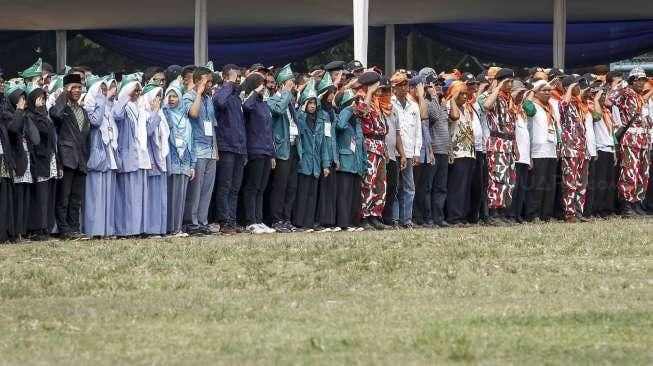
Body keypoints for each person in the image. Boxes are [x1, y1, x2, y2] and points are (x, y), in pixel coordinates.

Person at [50, 73, 90, 239]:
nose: (77, 90)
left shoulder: (83, 111)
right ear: (66, 89)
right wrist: (63, 97)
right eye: (73, 87)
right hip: (66, 158)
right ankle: (64, 230)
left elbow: (87, 136)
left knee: (76, 198)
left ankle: (75, 228)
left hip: (81, 158)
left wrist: (86, 155)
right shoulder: (61, 110)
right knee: (63, 197)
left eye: (79, 88)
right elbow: (55, 115)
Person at [609, 67, 651, 217]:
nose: (642, 83)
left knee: (642, 173)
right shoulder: (626, 92)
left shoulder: (641, 97)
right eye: (639, 80)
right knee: (629, 172)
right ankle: (626, 206)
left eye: (644, 80)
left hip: (644, 140)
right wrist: (620, 85)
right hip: (631, 139)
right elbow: (610, 99)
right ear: (632, 80)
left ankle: (637, 204)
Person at [112, 73, 150, 237]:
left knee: (139, 197)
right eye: (134, 90)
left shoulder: (140, 108)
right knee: (127, 196)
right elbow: (117, 115)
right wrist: (125, 97)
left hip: (141, 155)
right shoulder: (122, 106)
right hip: (127, 156)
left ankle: (139, 228)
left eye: (138, 91)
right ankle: (126, 229)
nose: (137, 94)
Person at [480, 68, 519, 225]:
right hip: (497, 142)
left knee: (509, 179)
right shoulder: (492, 95)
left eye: (511, 82)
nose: (510, 85)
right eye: (507, 81)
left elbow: (511, 124)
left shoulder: (508, 99)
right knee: (497, 178)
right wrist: (497, 86)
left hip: (509, 143)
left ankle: (503, 212)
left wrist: (515, 145)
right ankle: (494, 214)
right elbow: (486, 106)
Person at [183, 67, 219, 235]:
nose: (210, 85)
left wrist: (216, 150)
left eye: (211, 81)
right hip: (197, 149)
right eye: (207, 81)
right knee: (195, 190)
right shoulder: (189, 96)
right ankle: (192, 223)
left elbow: (212, 124)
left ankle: (203, 221)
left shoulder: (209, 99)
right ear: (197, 81)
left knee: (206, 189)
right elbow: (194, 113)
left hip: (210, 149)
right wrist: (198, 92)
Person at [212, 64, 247, 234]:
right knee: (224, 186)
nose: (238, 80)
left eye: (239, 77)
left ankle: (232, 221)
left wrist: (244, 149)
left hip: (239, 148)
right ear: (226, 78)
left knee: (235, 187)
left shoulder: (237, 97)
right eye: (235, 77)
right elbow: (219, 102)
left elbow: (241, 125)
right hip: (226, 146)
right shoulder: (221, 93)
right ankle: (224, 221)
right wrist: (228, 85)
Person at [83, 75, 118, 238]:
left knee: (107, 193)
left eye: (106, 89)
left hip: (108, 151)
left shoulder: (108, 106)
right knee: (95, 193)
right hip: (96, 152)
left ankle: (107, 229)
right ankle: (94, 229)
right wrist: (103, 100)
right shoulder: (89, 104)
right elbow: (96, 121)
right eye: (101, 89)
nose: (104, 92)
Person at [241, 73, 276, 234]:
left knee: (261, 187)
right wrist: (255, 92)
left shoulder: (264, 104)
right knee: (252, 187)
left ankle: (259, 219)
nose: (264, 87)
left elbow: (269, 130)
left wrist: (272, 154)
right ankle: (250, 221)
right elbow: (246, 106)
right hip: (254, 149)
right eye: (261, 84)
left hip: (266, 150)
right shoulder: (251, 102)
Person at [268, 64, 300, 233]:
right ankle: (276, 219)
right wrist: (286, 92)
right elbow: (278, 110)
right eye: (289, 82)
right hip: (281, 148)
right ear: (281, 84)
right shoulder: (274, 100)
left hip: (294, 147)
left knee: (291, 186)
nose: (292, 85)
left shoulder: (290, 100)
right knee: (280, 186)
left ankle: (287, 218)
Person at [356, 71, 389, 231]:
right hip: (368, 144)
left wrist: (386, 149)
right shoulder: (361, 96)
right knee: (368, 181)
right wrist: (369, 92)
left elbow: (382, 126)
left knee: (380, 183)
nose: (381, 90)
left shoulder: (377, 101)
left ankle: (375, 215)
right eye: (378, 87)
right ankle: (364, 215)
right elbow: (362, 111)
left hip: (380, 145)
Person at [292, 79, 326, 231]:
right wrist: (301, 108)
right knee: (302, 193)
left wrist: (325, 164)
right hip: (303, 161)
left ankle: (309, 222)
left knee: (313, 193)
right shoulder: (301, 118)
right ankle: (299, 222)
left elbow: (323, 145)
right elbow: (298, 116)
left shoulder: (319, 120)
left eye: (314, 103)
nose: (312, 106)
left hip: (316, 162)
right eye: (309, 103)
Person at [163, 79, 195, 237]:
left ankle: (178, 227)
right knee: (171, 195)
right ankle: (170, 228)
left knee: (181, 196)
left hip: (185, 160)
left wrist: (192, 165)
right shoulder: (165, 114)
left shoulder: (185, 117)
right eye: (169, 96)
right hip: (172, 159)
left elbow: (191, 142)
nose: (171, 99)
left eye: (175, 96)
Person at [391, 72, 422, 228]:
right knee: (395, 186)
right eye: (400, 85)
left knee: (409, 187)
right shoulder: (390, 103)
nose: (404, 88)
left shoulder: (414, 106)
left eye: (406, 84)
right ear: (394, 88)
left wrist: (417, 152)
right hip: (393, 151)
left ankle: (407, 220)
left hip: (409, 151)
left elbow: (418, 131)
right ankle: (395, 219)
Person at [525, 80, 558, 222]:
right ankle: (533, 214)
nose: (547, 92)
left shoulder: (550, 107)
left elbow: (557, 128)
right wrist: (532, 91)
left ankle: (546, 215)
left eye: (549, 90)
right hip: (538, 151)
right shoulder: (533, 105)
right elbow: (527, 107)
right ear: (536, 92)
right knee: (537, 185)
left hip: (551, 149)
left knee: (549, 185)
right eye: (543, 90)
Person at [558, 75, 590, 222]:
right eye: (576, 86)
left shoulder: (578, 104)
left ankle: (578, 211)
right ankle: (569, 214)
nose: (579, 88)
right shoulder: (564, 103)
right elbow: (562, 106)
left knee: (581, 183)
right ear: (568, 88)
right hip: (570, 149)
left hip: (582, 149)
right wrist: (570, 88)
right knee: (570, 183)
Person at [444, 80, 476, 225]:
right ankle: (454, 216)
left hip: (468, 151)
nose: (464, 96)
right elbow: (454, 117)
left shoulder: (466, 108)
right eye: (461, 93)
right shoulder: (448, 105)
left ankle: (462, 215)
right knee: (457, 186)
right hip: (457, 152)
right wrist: (452, 98)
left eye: (466, 93)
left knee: (466, 186)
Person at [335, 89, 366, 231]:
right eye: (353, 103)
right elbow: (340, 126)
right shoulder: (342, 116)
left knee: (355, 195)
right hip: (345, 163)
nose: (356, 105)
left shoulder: (357, 120)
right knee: (344, 195)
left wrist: (364, 164)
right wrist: (348, 109)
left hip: (357, 163)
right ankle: (343, 223)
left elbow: (361, 143)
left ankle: (354, 222)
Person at [142, 81, 169, 236]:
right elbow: (147, 133)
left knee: (160, 196)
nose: (158, 100)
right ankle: (151, 228)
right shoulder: (146, 113)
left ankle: (160, 228)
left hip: (160, 159)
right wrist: (154, 112)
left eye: (160, 96)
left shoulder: (161, 113)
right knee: (151, 196)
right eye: (155, 97)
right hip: (150, 158)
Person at [315, 72, 340, 231]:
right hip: (322, 155)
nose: (331, 96)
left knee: (331, 189)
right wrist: (325, 161)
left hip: (332, 154)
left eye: (332, 93)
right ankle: (321, 220)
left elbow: (333, 136)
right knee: (322, 190)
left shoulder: (331, 112)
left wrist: (336, 157)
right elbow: (323, 139)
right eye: (328, 93)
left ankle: (330, 221)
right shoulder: (320, 112)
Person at [506, 81, 531, 223]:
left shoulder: (521, 110)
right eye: (519, 93)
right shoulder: (510, 108)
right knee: (513, 186)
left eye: (523, 93)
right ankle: (509, 214)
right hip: (515, 153)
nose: (522, 96)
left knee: (522, 186)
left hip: (525, 154)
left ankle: (517, 214)